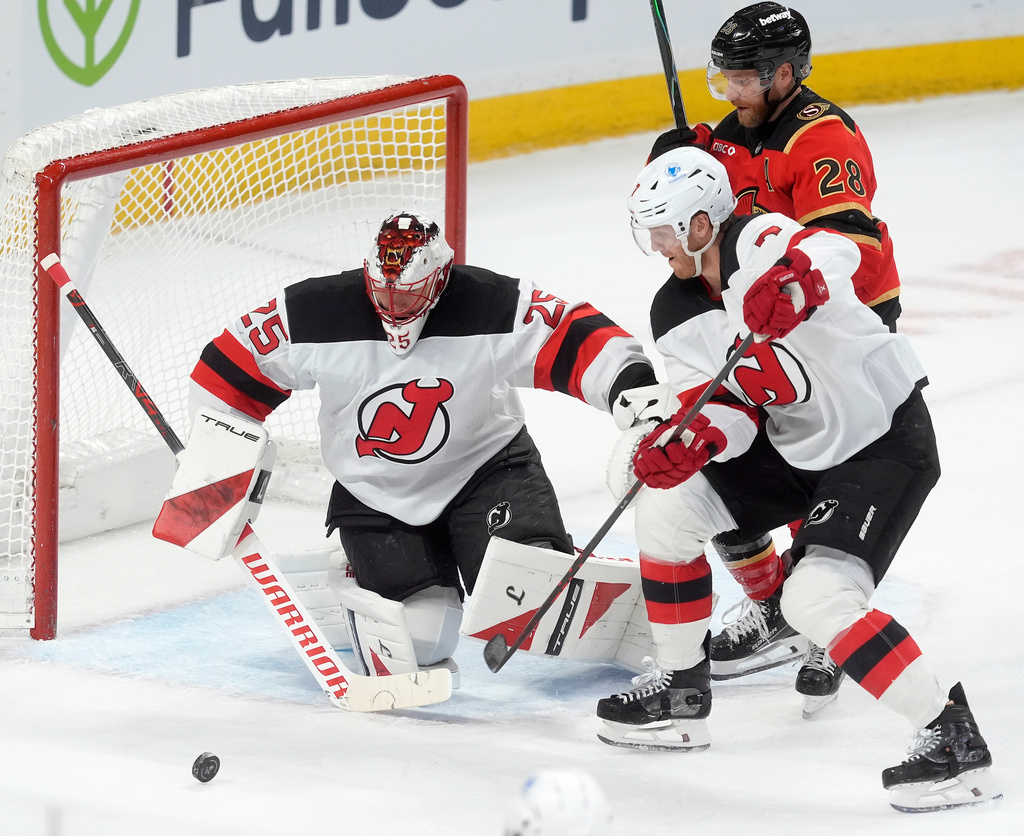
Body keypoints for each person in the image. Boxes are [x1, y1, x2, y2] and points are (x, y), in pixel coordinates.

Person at [595, 146, 1001, 812]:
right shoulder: (674, 310)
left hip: (881, 440)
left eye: (664, 231)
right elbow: (736, 411)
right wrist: (696, 440)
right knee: (666, 500)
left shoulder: (762, 240)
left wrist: (796, 279)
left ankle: (951, 740)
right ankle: (681, 693)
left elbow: (838, 249)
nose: (657, 247)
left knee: (814, 599)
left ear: (702, 225)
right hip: (794, 444)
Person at [187, 212, 659, 681]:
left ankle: (612, 597)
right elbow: (225, 369)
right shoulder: (316, 310)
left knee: (534, 593)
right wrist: (218, 456)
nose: (394, 306)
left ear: (438, 281)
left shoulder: (489, 303)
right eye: (384, 291)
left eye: (408, 293)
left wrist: (634, 392)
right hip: (375, 490)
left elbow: (576, 334)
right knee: (422, 643)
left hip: (484, 471)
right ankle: (356, 576)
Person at [646, 3, 903, 707]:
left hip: (843, 323)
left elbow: (854, 243)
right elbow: (696, 224)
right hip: (759, 322)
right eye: (722, 78)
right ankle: (776, 604)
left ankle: (819, 620)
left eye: (741, 79)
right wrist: (677, 163)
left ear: (785, 73)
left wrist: (800, 284)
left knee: (816, 469)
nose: (727, 93)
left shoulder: (824, 137)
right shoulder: (730, 133)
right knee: (727, 454)